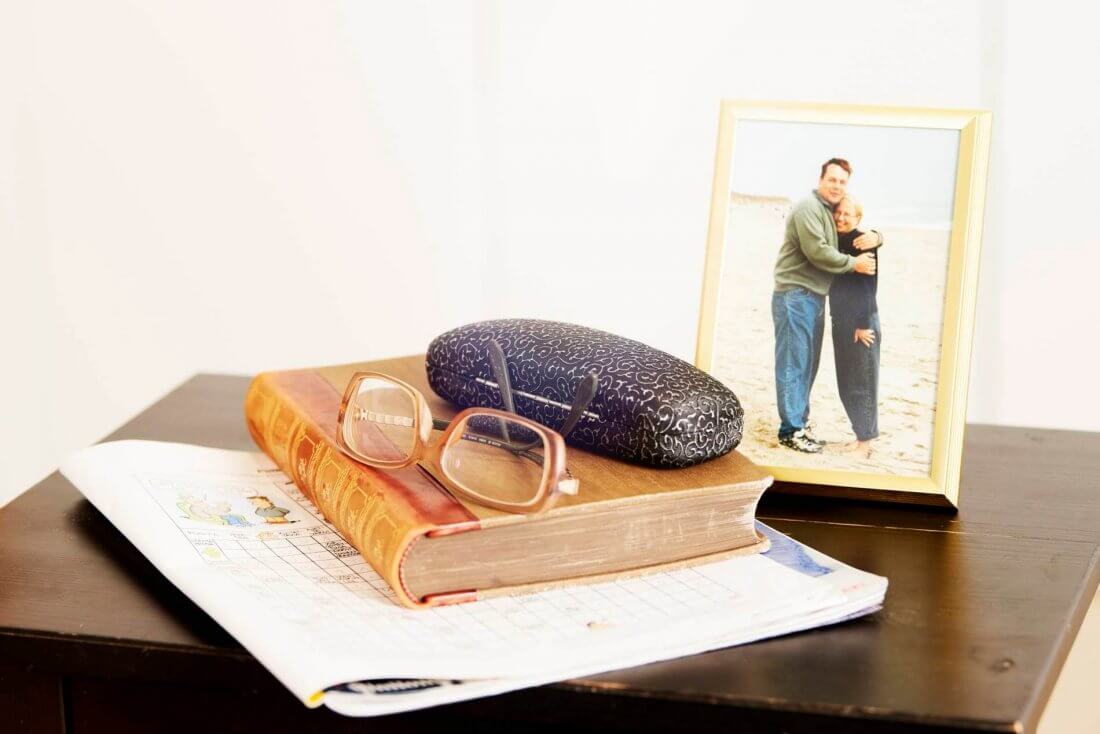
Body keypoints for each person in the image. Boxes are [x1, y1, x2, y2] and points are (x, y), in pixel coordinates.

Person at [772, 158, 878, 453]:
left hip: (813, 297)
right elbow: (818, 252)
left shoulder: (828, 211)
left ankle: (800, 425)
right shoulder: (808, 208)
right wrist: (854, 264)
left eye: (843, 182)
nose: (837, 186)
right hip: (795, 295)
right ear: (821, 179)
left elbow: (850, 233)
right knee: (794, 363)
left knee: (807, 365)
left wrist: (878, 236)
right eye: (832, 179)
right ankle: (791, 431)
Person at [829, 195, 880, 458]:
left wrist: (862, 324)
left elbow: (867, 287)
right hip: (840, 321)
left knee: (863, 382)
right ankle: (859, 435)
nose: (841, 218)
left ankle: (865, 444)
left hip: (862, 323)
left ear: (858, 218)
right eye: (838, 213)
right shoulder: (834, 240)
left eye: (847, 214)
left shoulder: (862, 241)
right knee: (846, 384)